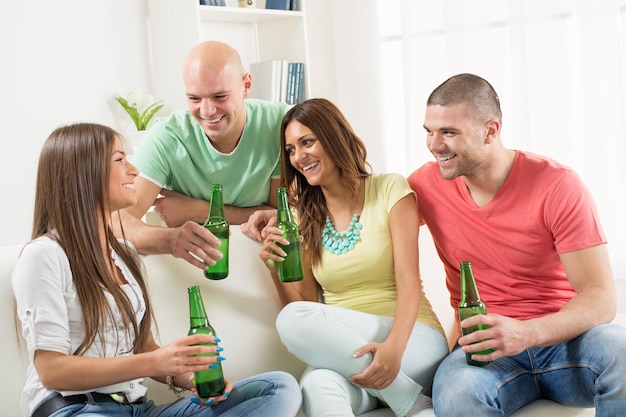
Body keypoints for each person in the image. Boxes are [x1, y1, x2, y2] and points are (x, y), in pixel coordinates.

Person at [12, 123, 302, 417]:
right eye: (119, 159)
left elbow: (144, 347)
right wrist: (158, 361)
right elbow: (52, 370)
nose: (134, 170)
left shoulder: (125, 254)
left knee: (278, 388)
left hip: (138, 410)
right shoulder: (45, 255)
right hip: (77, 409)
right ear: (83, 173)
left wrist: (191, 378)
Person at [407, 73, 626, 416]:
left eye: (449, 132)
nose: (434, 144)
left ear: (490, 131)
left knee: (623, 352)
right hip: (486, 353)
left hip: (566, 344)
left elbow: (600, 299)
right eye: (429, 131)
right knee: (459, 394)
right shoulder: (425, 184)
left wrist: (527, 332)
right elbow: (367, 216)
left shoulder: (557, 185)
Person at [256, 98, 449, 417]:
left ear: (334, 137)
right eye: (290, 149)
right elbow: (304, 305)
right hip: (349, 355)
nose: (299, 157)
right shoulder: (299, 215)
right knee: (316, 383)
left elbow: (409, 280)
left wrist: (393, 349)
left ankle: (404, 395)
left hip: (411, 339)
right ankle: (408, 401)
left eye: (307, 142)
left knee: (293, 323)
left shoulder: (389, 188)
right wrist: (275, 268)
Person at [113, 40, 290, 270]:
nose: (206, 111)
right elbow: (115, 220)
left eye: (219, 96)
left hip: (266, 268)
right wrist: (171, 239)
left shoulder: (280, 124)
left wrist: (201, 211)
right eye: (194, 99)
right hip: (195, 270)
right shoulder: (167, 137)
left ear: (246, 86)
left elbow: (281, 218)